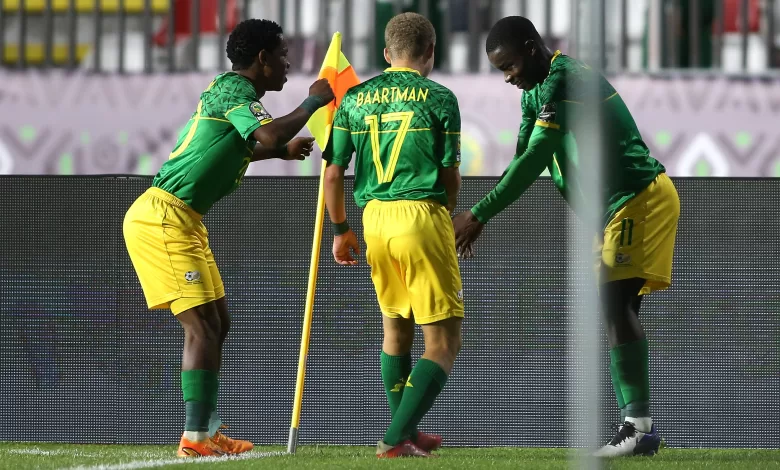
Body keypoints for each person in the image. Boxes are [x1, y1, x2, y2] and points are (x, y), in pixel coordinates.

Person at [452, 16, 679, 458]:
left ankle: (636, 426)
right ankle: (638, 429)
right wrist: (483, 214)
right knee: (615, 305)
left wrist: (479, 213)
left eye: (510, 66)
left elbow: (537, 157)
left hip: (636, 197)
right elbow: (521, 154)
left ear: (532, 49)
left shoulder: (564, 79)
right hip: (612, 210)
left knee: (614, 302)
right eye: (501, 70)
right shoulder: (536, 92)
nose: (508, 78)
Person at [123, 19, 334, 458]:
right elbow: (271, 132)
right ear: (263, 59)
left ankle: (207, 430)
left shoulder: (232, 94)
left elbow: (235, 145)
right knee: (200, 327)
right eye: (283, 55)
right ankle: (195, 439)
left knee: (218, 322)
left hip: (184, 219)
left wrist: (278, 150)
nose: (288, 64)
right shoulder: (235, 92)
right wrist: (314, 100)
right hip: (161, 217)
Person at [322, 12, 464, 459]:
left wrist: (341, 230)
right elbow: (450, 174)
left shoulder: (356, 98)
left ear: (386, 54)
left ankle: (407, 430)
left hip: (373, 219)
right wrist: (444, 214)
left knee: (396, 328)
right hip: (420, 213)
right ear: (430, 53)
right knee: (443, 341)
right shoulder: (440, 97)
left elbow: (332, 175)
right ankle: (393, 437)